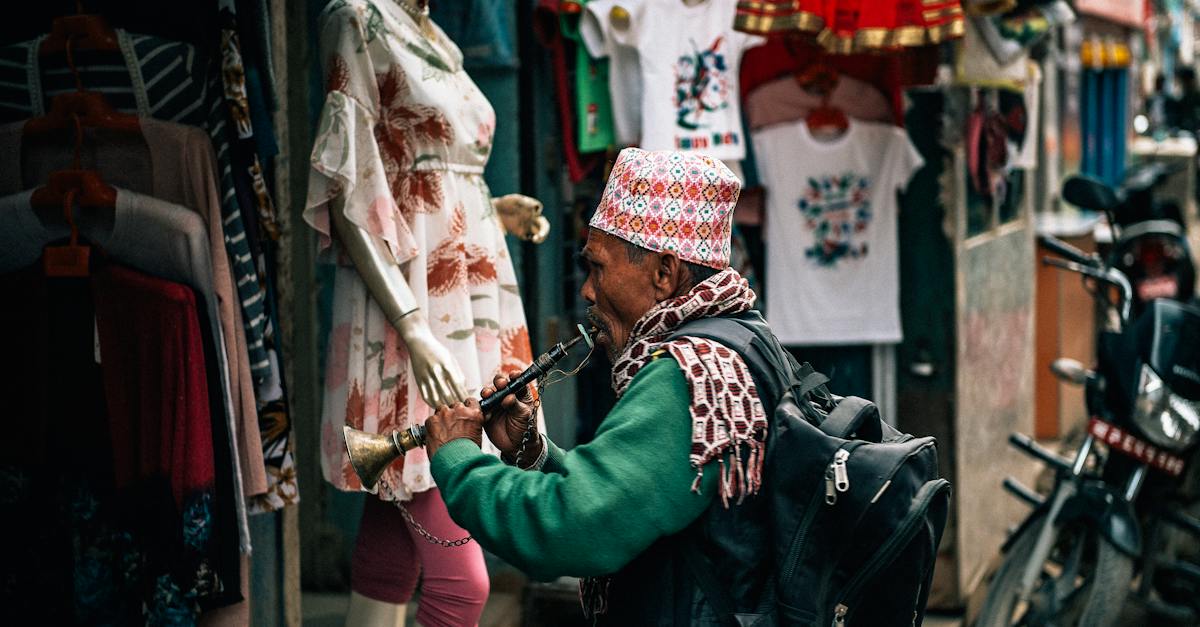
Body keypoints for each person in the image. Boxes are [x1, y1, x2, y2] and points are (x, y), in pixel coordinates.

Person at [422, 147, 783, 624]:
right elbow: (639, 499)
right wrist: (534, 453)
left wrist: (457, 459)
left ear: (663, 273)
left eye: (598, 267)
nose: (587, 291)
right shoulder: (743, 339)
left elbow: (571, 528)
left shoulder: (688, 375)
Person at [305, 1, 549, 625]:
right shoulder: (357, 18)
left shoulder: (435, 35)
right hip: (416, 303)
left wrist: (491, 207)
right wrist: (411, 327)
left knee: (391, 537)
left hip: (466, 288)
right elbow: (348, 188)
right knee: (463, 583)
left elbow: (439, 168)